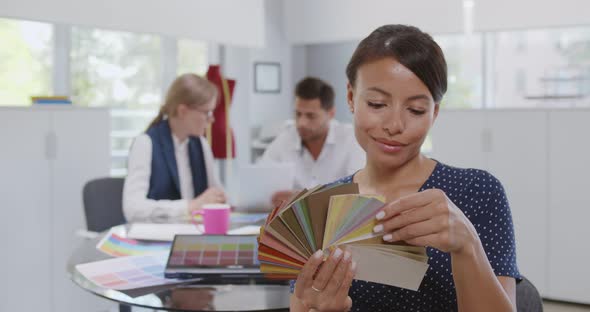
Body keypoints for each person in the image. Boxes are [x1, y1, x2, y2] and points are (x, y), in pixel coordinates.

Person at [290, 25, 520, 311]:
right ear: (350, 97)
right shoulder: (321, 207)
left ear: (434, 112)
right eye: (377, 104)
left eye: (415, 110)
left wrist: (467, 246)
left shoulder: (477, 191)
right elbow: (300, 304)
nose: (394, 125)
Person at [123, 74, 226, 222]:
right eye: (206, 112)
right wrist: (189, 206)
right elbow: (132, 208)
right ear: (183, 111)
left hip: (192, 233)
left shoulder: (201, 144)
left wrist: (218, 198)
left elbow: (215, 193)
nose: (212, 119)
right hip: (158, 237)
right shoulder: (145, 143)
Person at [260, 77, 365, 207]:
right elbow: (260, 183)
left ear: (331, 114)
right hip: (293, 223)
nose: (301, 123)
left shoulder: (351, 139)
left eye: (311, 116)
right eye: (298, 114)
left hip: (340, 223)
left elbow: (360, 192)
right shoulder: (285, 138)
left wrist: (305, 199)